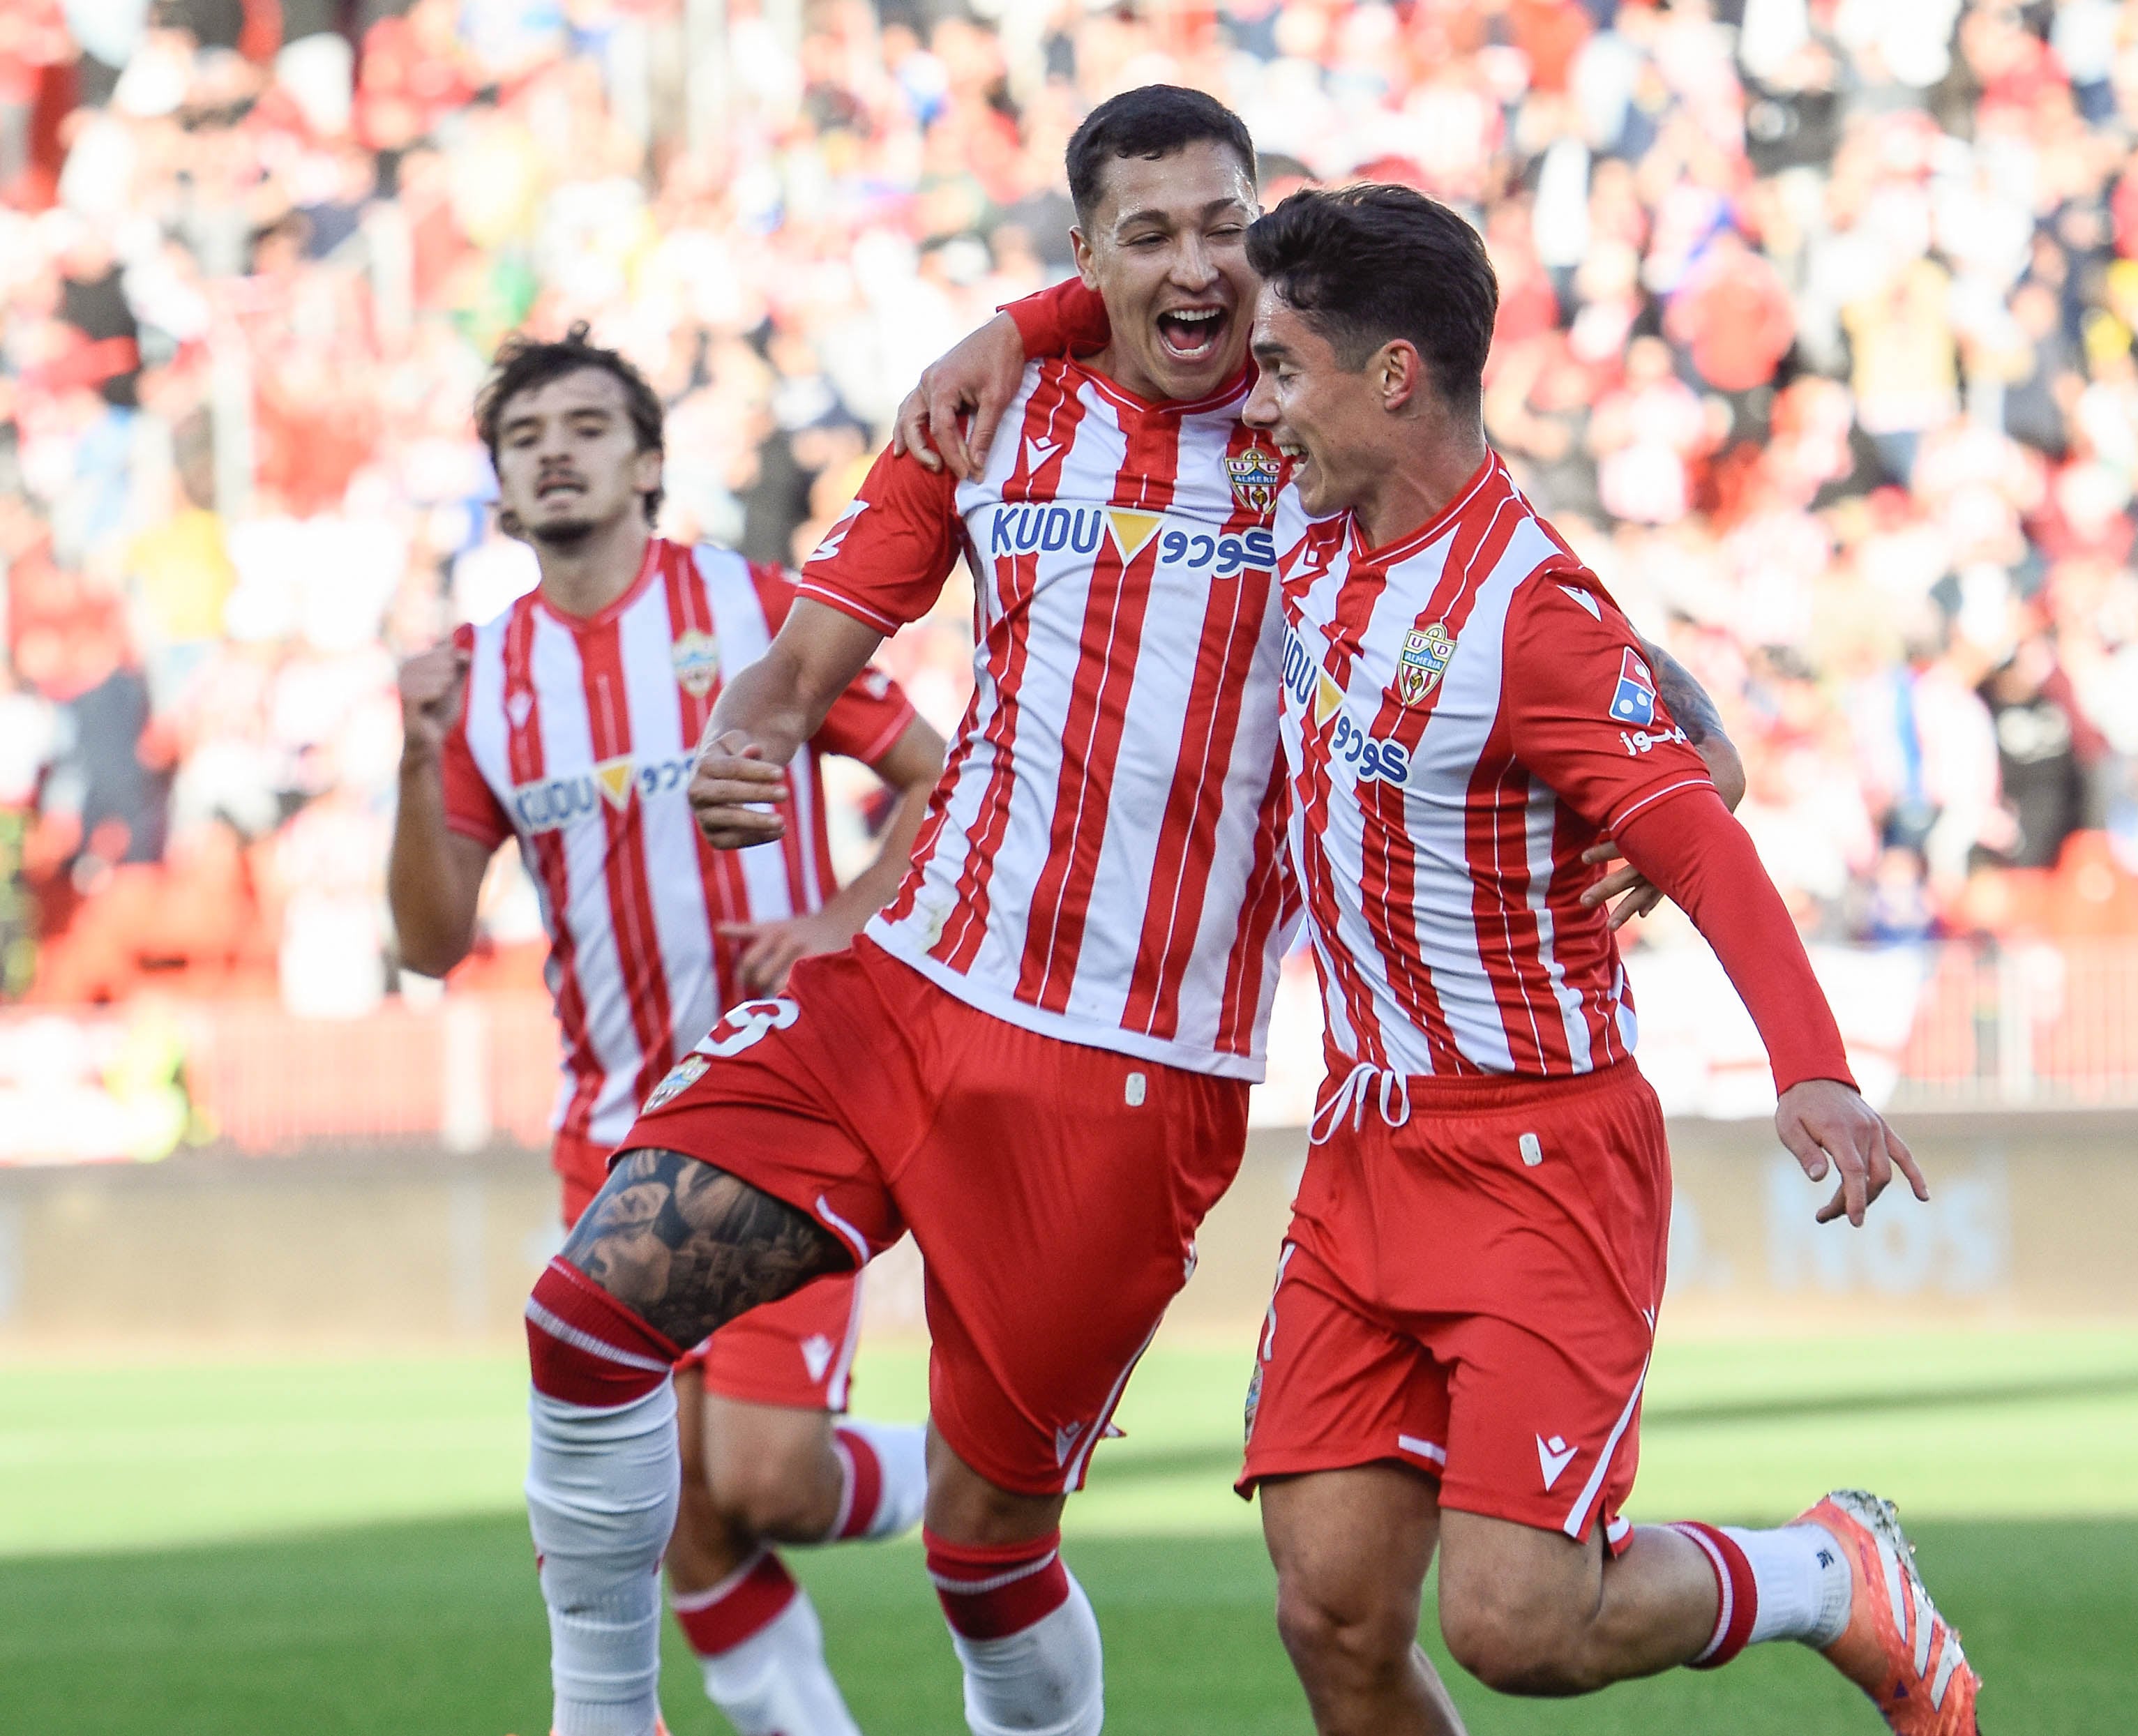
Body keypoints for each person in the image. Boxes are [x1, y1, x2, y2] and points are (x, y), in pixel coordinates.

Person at [513, 89, 1741, 1736]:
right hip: (899, 992)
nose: (1191, 265)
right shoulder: (989, 414)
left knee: (984, 1545)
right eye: (1143, 235)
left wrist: (1699, 753)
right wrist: (749, 737)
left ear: (1263, 230)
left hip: (1127, 1082)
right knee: (586, 1319)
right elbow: (804, 665)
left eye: (1221, 225)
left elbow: (1542, 614)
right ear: (1083, 254)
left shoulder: (1321, 435)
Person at [1217, 183, 1968, 1735]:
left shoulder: (1519, 605)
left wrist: (1813, 1068)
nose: (1260, 402)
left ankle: (1831, 1577)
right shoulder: (1315, 537)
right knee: (1335, 1613)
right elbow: (1645, 684)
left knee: (1516, 1625)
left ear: (1395, 375)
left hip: (1534, 1158)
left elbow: (1693, 843)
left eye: (1284, 367)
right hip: (1364, 1147)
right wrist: (1689, 722)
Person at [389, 326, 943, 1736]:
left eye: (587, 426)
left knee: (766, 1487)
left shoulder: (756, 611)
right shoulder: (480, 679)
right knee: (672, 1512)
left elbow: (940, 779)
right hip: (611, 1132)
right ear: (502, 494)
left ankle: (975, 1467)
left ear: (647, 464)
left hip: (791, 1103)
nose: (556, 450)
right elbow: (430, 940)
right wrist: (412, 755)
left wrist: (841, 915)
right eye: (526, 438)